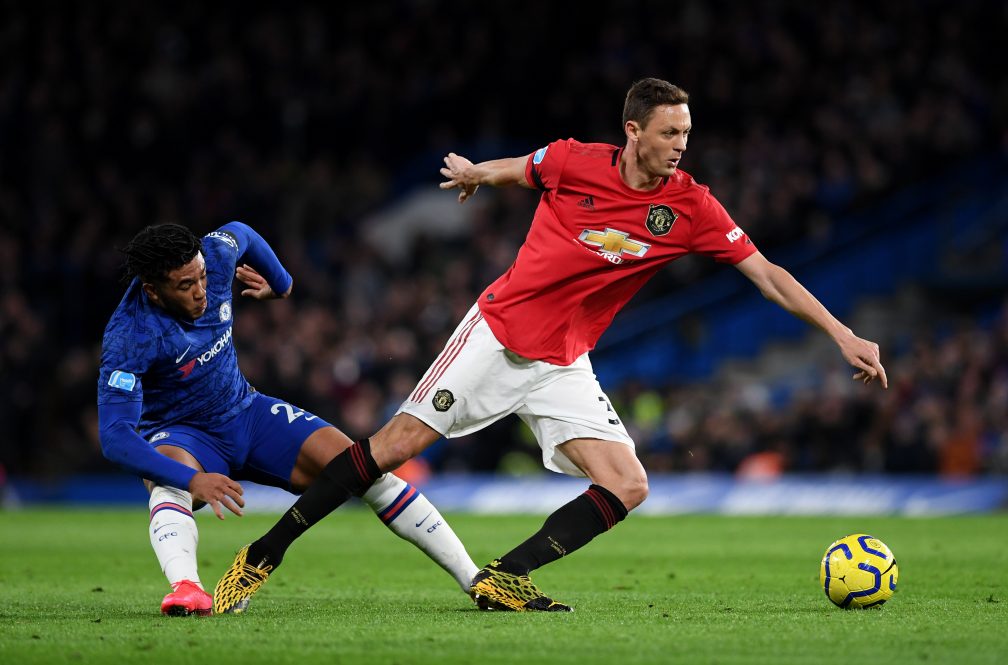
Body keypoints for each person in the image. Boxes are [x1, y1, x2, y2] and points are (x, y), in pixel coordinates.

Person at [214, 77, 887, 613]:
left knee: (629, 483)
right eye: (670, 131)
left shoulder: (691, 208)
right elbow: (524, 168)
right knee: (389, 450)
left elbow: (766, 273)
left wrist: (840, 332)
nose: (682, 144)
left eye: (687, 132)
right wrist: (480, 173)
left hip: (564, 360)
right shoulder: (574, 161)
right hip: (498, 336)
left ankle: (506, 576)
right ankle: (261, 556)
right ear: (633, 131)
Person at [97, 222, 478, 616]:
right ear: (152, 291)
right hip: (185, 434)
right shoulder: (130, 337)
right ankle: (187, 588)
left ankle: (474, 579)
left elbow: (240, 232)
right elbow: (115, 437)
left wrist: (281, 283)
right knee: (167, 482)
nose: (201, 292)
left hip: (248, 412)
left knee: (364, 469)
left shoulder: (215, 256)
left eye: (203, 277)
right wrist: (194, 479)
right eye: (185, 286)